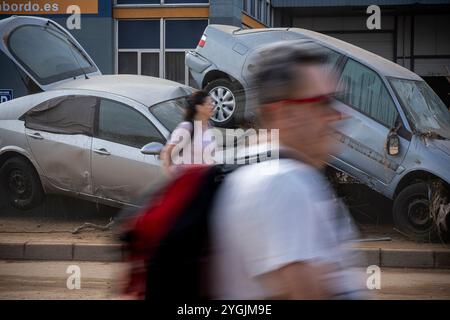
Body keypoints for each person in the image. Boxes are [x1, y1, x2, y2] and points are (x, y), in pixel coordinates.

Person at [209, 43, 366, 299]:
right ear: (281, 113)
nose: (338, 115)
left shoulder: (256, 172)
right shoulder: (283, 182)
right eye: (322, 102)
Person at [161, 90, 216, 175]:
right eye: (209, 104)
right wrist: (171, 173)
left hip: (204, 178)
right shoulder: (187, 127)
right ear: (199, 108)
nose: (213, 106)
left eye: (212, 102)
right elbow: (166, 152)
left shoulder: (209, 125)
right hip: (188, 178)